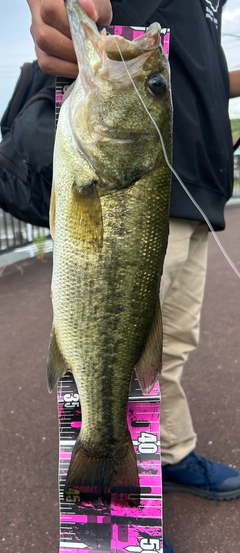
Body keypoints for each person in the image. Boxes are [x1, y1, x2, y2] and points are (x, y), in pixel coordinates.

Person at [26, 1, 240, 552]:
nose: (150, 69)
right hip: (144, 191)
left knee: (173, 349)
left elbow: (203, 78)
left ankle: (171, 453)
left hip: (203, 195)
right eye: (154, 85)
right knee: (109, 355)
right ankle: (114, 514)